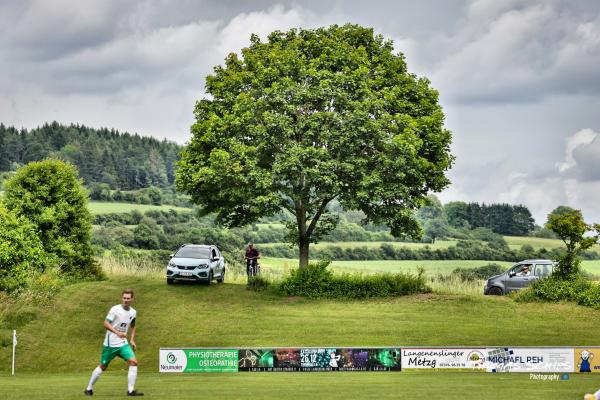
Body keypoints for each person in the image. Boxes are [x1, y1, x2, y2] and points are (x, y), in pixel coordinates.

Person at [85, 289, 143, 396]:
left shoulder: (133, 312)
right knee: (103, 366)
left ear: (132, 299)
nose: (126, 300)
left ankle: (130, 391)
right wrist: (118, 333)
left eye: (128, 298)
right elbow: (106, 323)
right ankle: (89, 388)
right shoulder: (115, 309)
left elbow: (133, 325)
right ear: (122, 298)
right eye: (124, 298)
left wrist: (132, 339)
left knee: (134, 362)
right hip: (110, 344)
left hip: (123, 344)